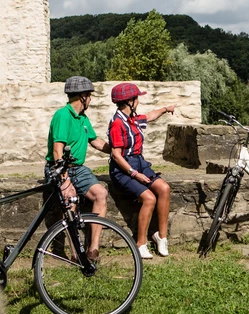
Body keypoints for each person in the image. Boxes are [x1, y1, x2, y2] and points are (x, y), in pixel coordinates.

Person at [45, 76, 112, 260]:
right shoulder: (62, 115)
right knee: (70, 199)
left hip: (78, 168)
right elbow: (57, 150)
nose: (90, 99)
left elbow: (96, 142)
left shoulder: (83, 118)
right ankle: (76, 253)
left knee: (101, 194)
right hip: (58, 167)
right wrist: (64, 179)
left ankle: (93, 248)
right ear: (82, 96)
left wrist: (117, 151)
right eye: (89, 95)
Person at [107, 82, 176, 259]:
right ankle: (140, 243)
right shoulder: (117, 123)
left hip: (139, 162)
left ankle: (161, 237)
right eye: (136, 98)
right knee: (149, 198)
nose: (138, 101)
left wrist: (165, 109)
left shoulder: (133, 119)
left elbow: (151, 116)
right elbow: (116, 154)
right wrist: (134, 173)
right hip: (123, 169)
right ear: (129, 101)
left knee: (164, 189)